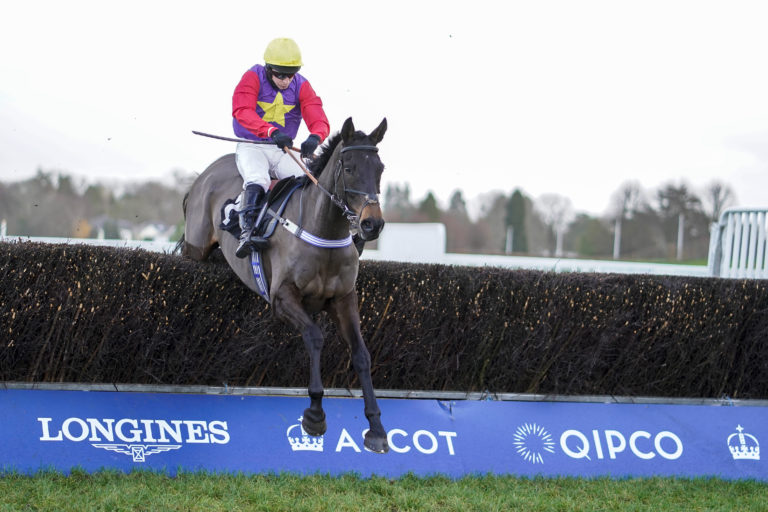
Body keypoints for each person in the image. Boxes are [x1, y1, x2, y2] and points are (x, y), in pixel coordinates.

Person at [231, 37, 330, 258]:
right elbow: (242, 110)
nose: (286, 81)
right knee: (258, 179)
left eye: (290, 75)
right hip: (252, 145)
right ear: (268, 69)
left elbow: (317, 115)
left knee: (309, 180)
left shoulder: (302, 84)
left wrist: (315, 137)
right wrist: (270, 131)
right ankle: (246, 232)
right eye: (280, 75)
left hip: (281, 150)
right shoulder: (252, 76)